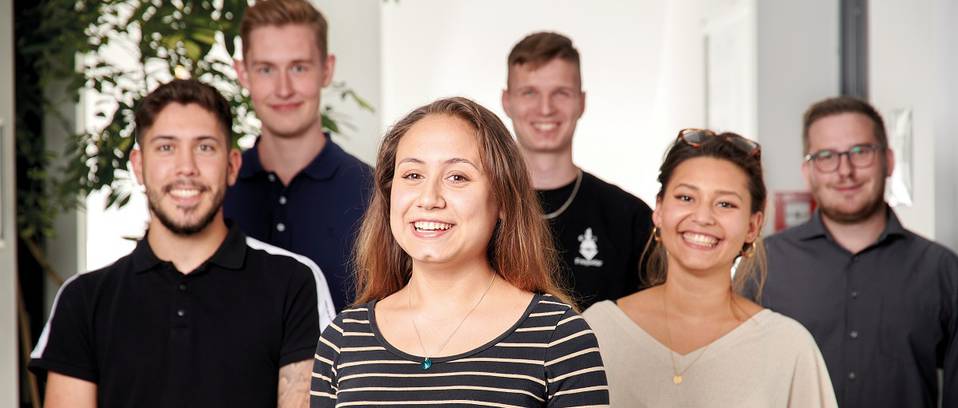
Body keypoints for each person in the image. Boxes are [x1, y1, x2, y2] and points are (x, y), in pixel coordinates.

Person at [29, 79, 335, 407]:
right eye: (166, 147)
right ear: (139, 166)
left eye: (205, 147)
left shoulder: (293, 284)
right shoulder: (82, 300)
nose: (186, 168)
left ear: (232, 165)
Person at [310, 97, 609, 407]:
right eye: (413, 175)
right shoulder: (342, 340)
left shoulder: (559, 337)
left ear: (503, 200)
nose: (429, 199)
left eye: (457, 177)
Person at [583, 129, 837, 407]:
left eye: (725, 204)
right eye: (686, 198)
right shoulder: (598, 329)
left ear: (753, 226)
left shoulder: (789, 348)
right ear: (659, 209)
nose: (703, 217)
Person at [756, 96, 958, 408]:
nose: (845, 171)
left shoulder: (941, 270)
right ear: (808, 172)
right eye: (826, 156)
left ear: (889, 161)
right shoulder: (764, 265)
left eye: (860, 152)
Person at [226, 0, 372, 311]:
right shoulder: (216, 192)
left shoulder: (375, 192)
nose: (283, 89)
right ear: (243, 73)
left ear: (326, 70)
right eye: (266, 69)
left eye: (298, 68)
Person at [501, 32, 653, 309]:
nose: (545, 109)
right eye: (529, 92)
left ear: (581, 102)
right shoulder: (478, 208)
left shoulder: (630, 218)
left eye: (561, 93)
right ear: (507, 101)